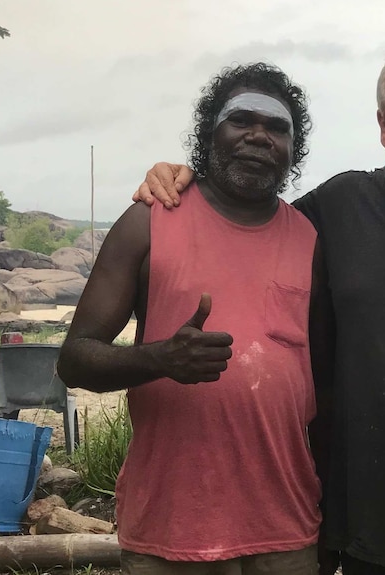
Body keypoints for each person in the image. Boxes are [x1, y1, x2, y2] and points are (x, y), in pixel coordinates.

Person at [133, 44, 385, 575]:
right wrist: (184, 176)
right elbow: (247, 214)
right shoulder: (339, 206)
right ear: (381, 125)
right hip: (370, 528)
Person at [57, 62, 332, 575]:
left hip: (286, 528)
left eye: (277, 127)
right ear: (210, 133)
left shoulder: (311, 240)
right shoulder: (150, 221)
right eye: (241, 120)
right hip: (172, 528)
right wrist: (160, 358)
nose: (258, 135)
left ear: (294, 149)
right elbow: (74, 361)